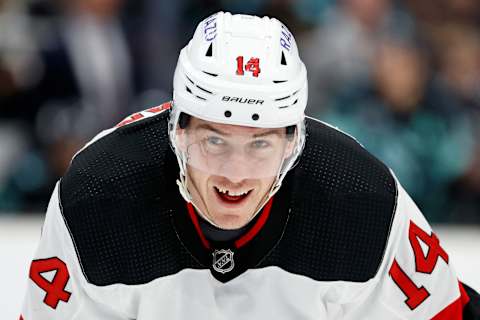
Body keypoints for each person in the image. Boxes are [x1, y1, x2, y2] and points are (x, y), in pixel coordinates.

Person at [21, 11, 479, 320]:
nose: (235, 174)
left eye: (259, 144)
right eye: (214, 140)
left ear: (292, 143)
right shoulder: (96, 197)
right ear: (177, 130)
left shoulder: (362, 198)